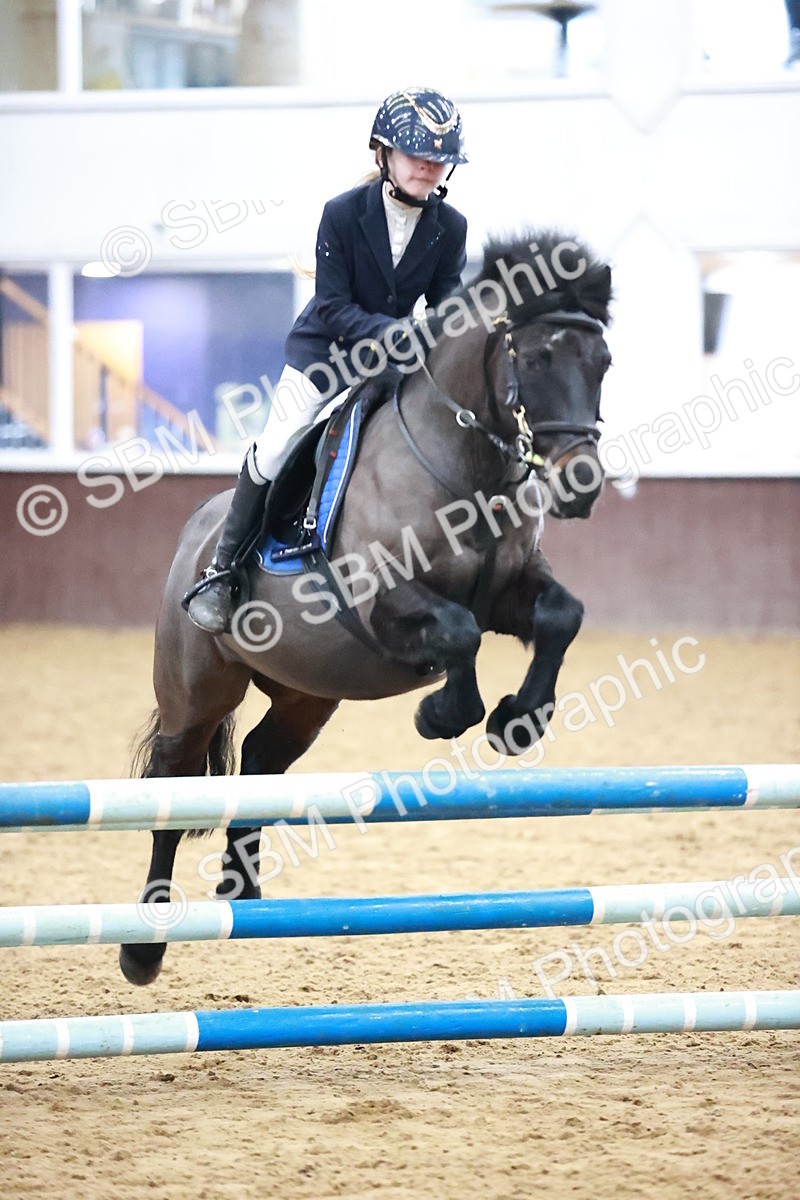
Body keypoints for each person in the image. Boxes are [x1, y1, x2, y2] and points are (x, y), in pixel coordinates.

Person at [186, 86, 469, 633]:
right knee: (276, 447)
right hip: (326, 356)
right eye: (417, 156)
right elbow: (334, 306)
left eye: (440, 159)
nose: (429, 168)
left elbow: (445, 305)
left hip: (394, 363)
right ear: (383, 153)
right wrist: (395, 332)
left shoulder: (450, 226)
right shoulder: (341, 214)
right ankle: (221, 572)